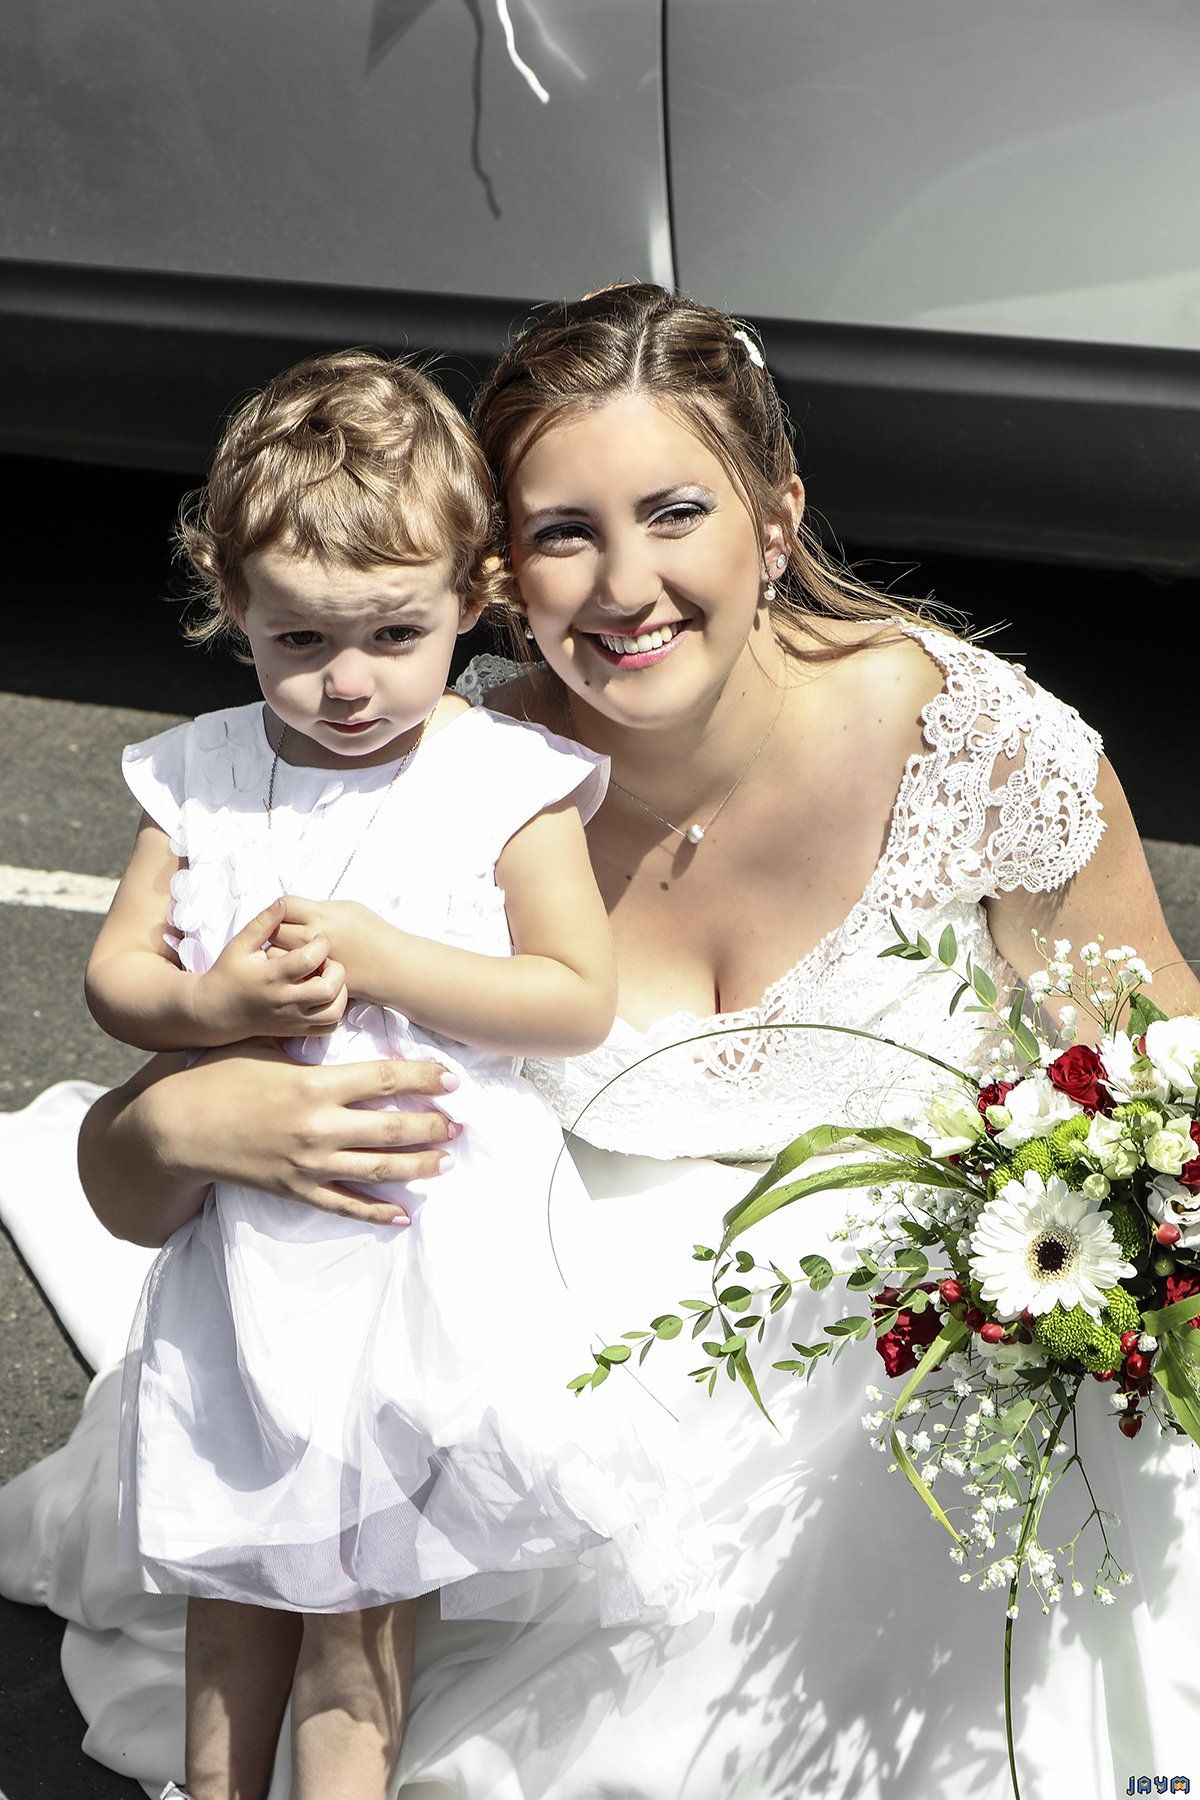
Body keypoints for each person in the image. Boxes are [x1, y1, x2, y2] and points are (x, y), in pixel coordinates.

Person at [2, 283, 1198, 1799]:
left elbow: (1159, 1069)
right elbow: (133, 1170)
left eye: (676, 510)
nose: (624, 587)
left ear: (776, 518)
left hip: (874, 1404)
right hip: (477, 1381)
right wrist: (183, 1127)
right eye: (565, 532)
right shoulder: (426, 774)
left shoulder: (978, 753)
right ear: (499, 572)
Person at [71, 344, 710, 1800]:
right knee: (236, 1566)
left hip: (416, 1253)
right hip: (249, 1260)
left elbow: (568, 997)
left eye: (390, 635)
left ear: (473, 597)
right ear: (230, 605)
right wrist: (212, 997)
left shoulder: (502, 783)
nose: (346, 682)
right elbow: (117, 977)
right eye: (297, 641)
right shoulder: (205, 774)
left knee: (361, 1595)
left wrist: (382, 952)